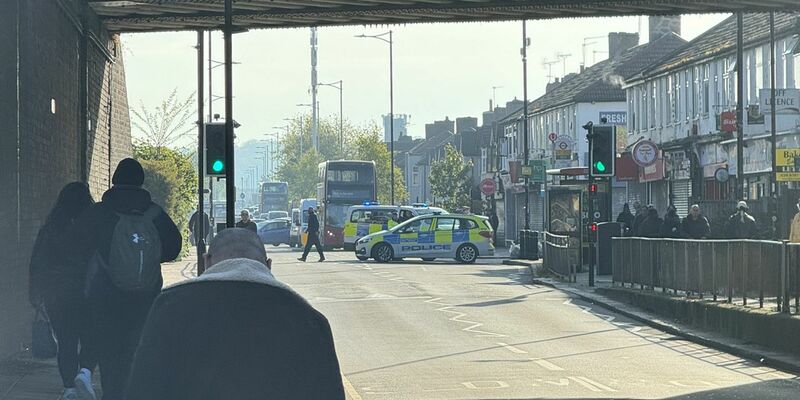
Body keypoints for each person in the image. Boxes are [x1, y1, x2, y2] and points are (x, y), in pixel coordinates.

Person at [124, 228, 345, 400]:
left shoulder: (169, 306)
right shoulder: (308, 318)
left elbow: (142, 389)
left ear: (206, 261)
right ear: (268, 265)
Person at [73, 158, 182, 400]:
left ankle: (109, 391)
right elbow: (174, 247)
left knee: (111, 354)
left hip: (106, 294)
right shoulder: (154, 213)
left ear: (115, 180)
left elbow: (76, 244)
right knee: (135, 352)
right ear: (141, 181)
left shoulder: (101, 212)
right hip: (145, 296)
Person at [28, 182, 97, 400]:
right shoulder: (94, 225)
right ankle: (85, 372)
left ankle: (69, 388)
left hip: (57, 293)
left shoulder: (51, 227)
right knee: (91, 336)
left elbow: (37, 261)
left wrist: (35, 293)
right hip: (88, 291)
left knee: (66, 341)